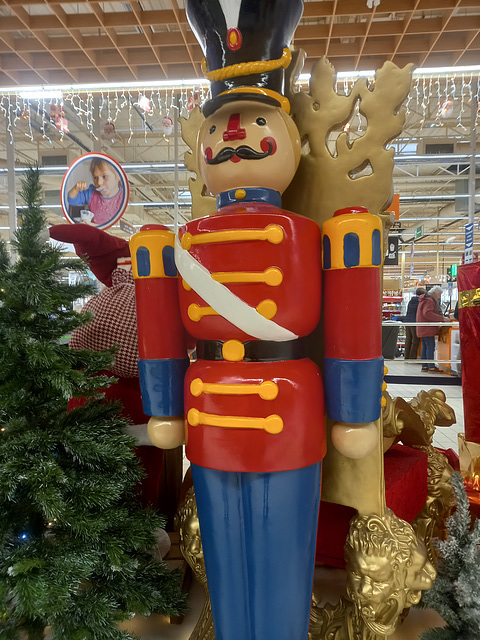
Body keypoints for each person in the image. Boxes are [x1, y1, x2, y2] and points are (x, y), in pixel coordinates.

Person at [68, 158, 123, 226]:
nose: (99, 183)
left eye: (104, 176)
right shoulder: (91, 193)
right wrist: (76, 188)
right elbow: (72, 200)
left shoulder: (123, 197)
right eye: (95, 178)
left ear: (118, 176)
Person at [416, 285, 448, 372]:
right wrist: (442, 318)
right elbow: (428, 314)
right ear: (434, 293)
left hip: (423, 327)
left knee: (425, 346)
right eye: (439, 295)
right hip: (428, 327)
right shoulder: (429, 301)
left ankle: (425, 366)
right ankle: (431, 367)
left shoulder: (424, 299)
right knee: (430, 346)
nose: (439, 297)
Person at [399, 287, 426, 360]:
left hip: (408, 321)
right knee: (415, 339)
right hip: (415, 322)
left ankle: (406, 356)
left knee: (408, 339)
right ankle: (412, 357)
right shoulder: (420, 301)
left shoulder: (411, 301)